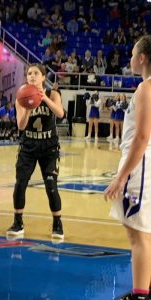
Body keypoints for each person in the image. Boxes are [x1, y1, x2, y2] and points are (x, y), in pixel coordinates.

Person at [104, 35, 151, 300]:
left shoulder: (146, 89)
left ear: (142, 58)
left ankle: (140, 295)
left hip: (141, 166)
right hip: (146, 164)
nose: (130, 58)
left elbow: (142, 137)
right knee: (146, 232)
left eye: (133, 54)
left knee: (138, 234)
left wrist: (121, 178)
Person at [7, 64, 64, 239]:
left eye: (36, 73)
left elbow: (60, 114)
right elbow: (21, 126)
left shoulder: (53, 94)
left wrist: (43, 99)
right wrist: (28, 109)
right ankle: (18, 222)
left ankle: (57, 222)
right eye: (29, 73)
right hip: (29, 145)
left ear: (43, 77)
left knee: (51, 185)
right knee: (20, 183)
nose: (32, 76)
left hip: (49, 146)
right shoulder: (21, 97)